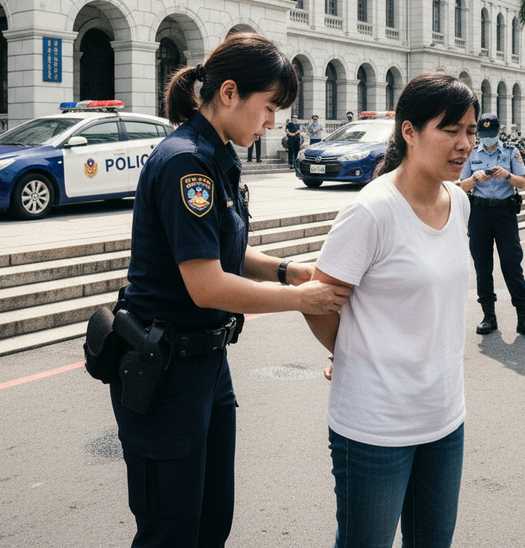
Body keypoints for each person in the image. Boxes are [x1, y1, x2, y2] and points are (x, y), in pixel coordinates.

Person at [110, 32, 351, 548]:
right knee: (171, 532)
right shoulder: (184, 162)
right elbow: (206, 283)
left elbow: (223, 253)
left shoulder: (216, 156)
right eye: (268, 107)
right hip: (164, 369)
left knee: (211, 520)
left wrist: (289, 270)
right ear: (228, 94)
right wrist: (299, 300)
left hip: (205, 367)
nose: (272, 122)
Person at [304, 73, 478, 548]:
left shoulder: (458, 202)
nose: (465, 143)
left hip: (444, 416)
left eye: (471, 130)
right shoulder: (373, 210)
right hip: (375, 425)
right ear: (409, 131)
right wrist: (356, 350)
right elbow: (319, 300)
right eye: (451, 130)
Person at [458, 113, 525, 339]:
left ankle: (524, 319)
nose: (487, 140)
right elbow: (461, 186)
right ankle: (488, 316)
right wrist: (474, 178)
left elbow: (522, 182)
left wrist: (507, 175)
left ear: (498, 132)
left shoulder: (510, 152)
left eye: (491, 135)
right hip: (480, 212)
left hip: (505, 212)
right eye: (483, 136)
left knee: (512, 264)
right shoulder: (471, 155)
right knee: (483, 266)